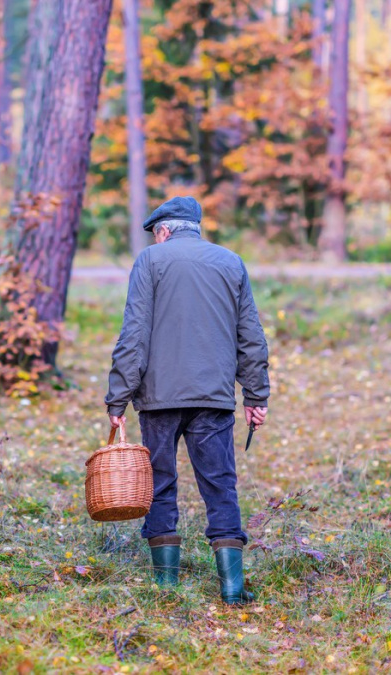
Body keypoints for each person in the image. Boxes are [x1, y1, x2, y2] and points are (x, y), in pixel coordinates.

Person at [104, 196, 270, 605]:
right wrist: (255, 394)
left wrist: (118, 398)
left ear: (163, 231)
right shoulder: (231, 262)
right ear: (194, 228)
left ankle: (166, 586)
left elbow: (134, 334)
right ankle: (232, 588)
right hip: (213, 397)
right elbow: (251, 335)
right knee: (220, 485)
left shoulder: (151, 261)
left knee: (160, 483)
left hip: (159, 398)